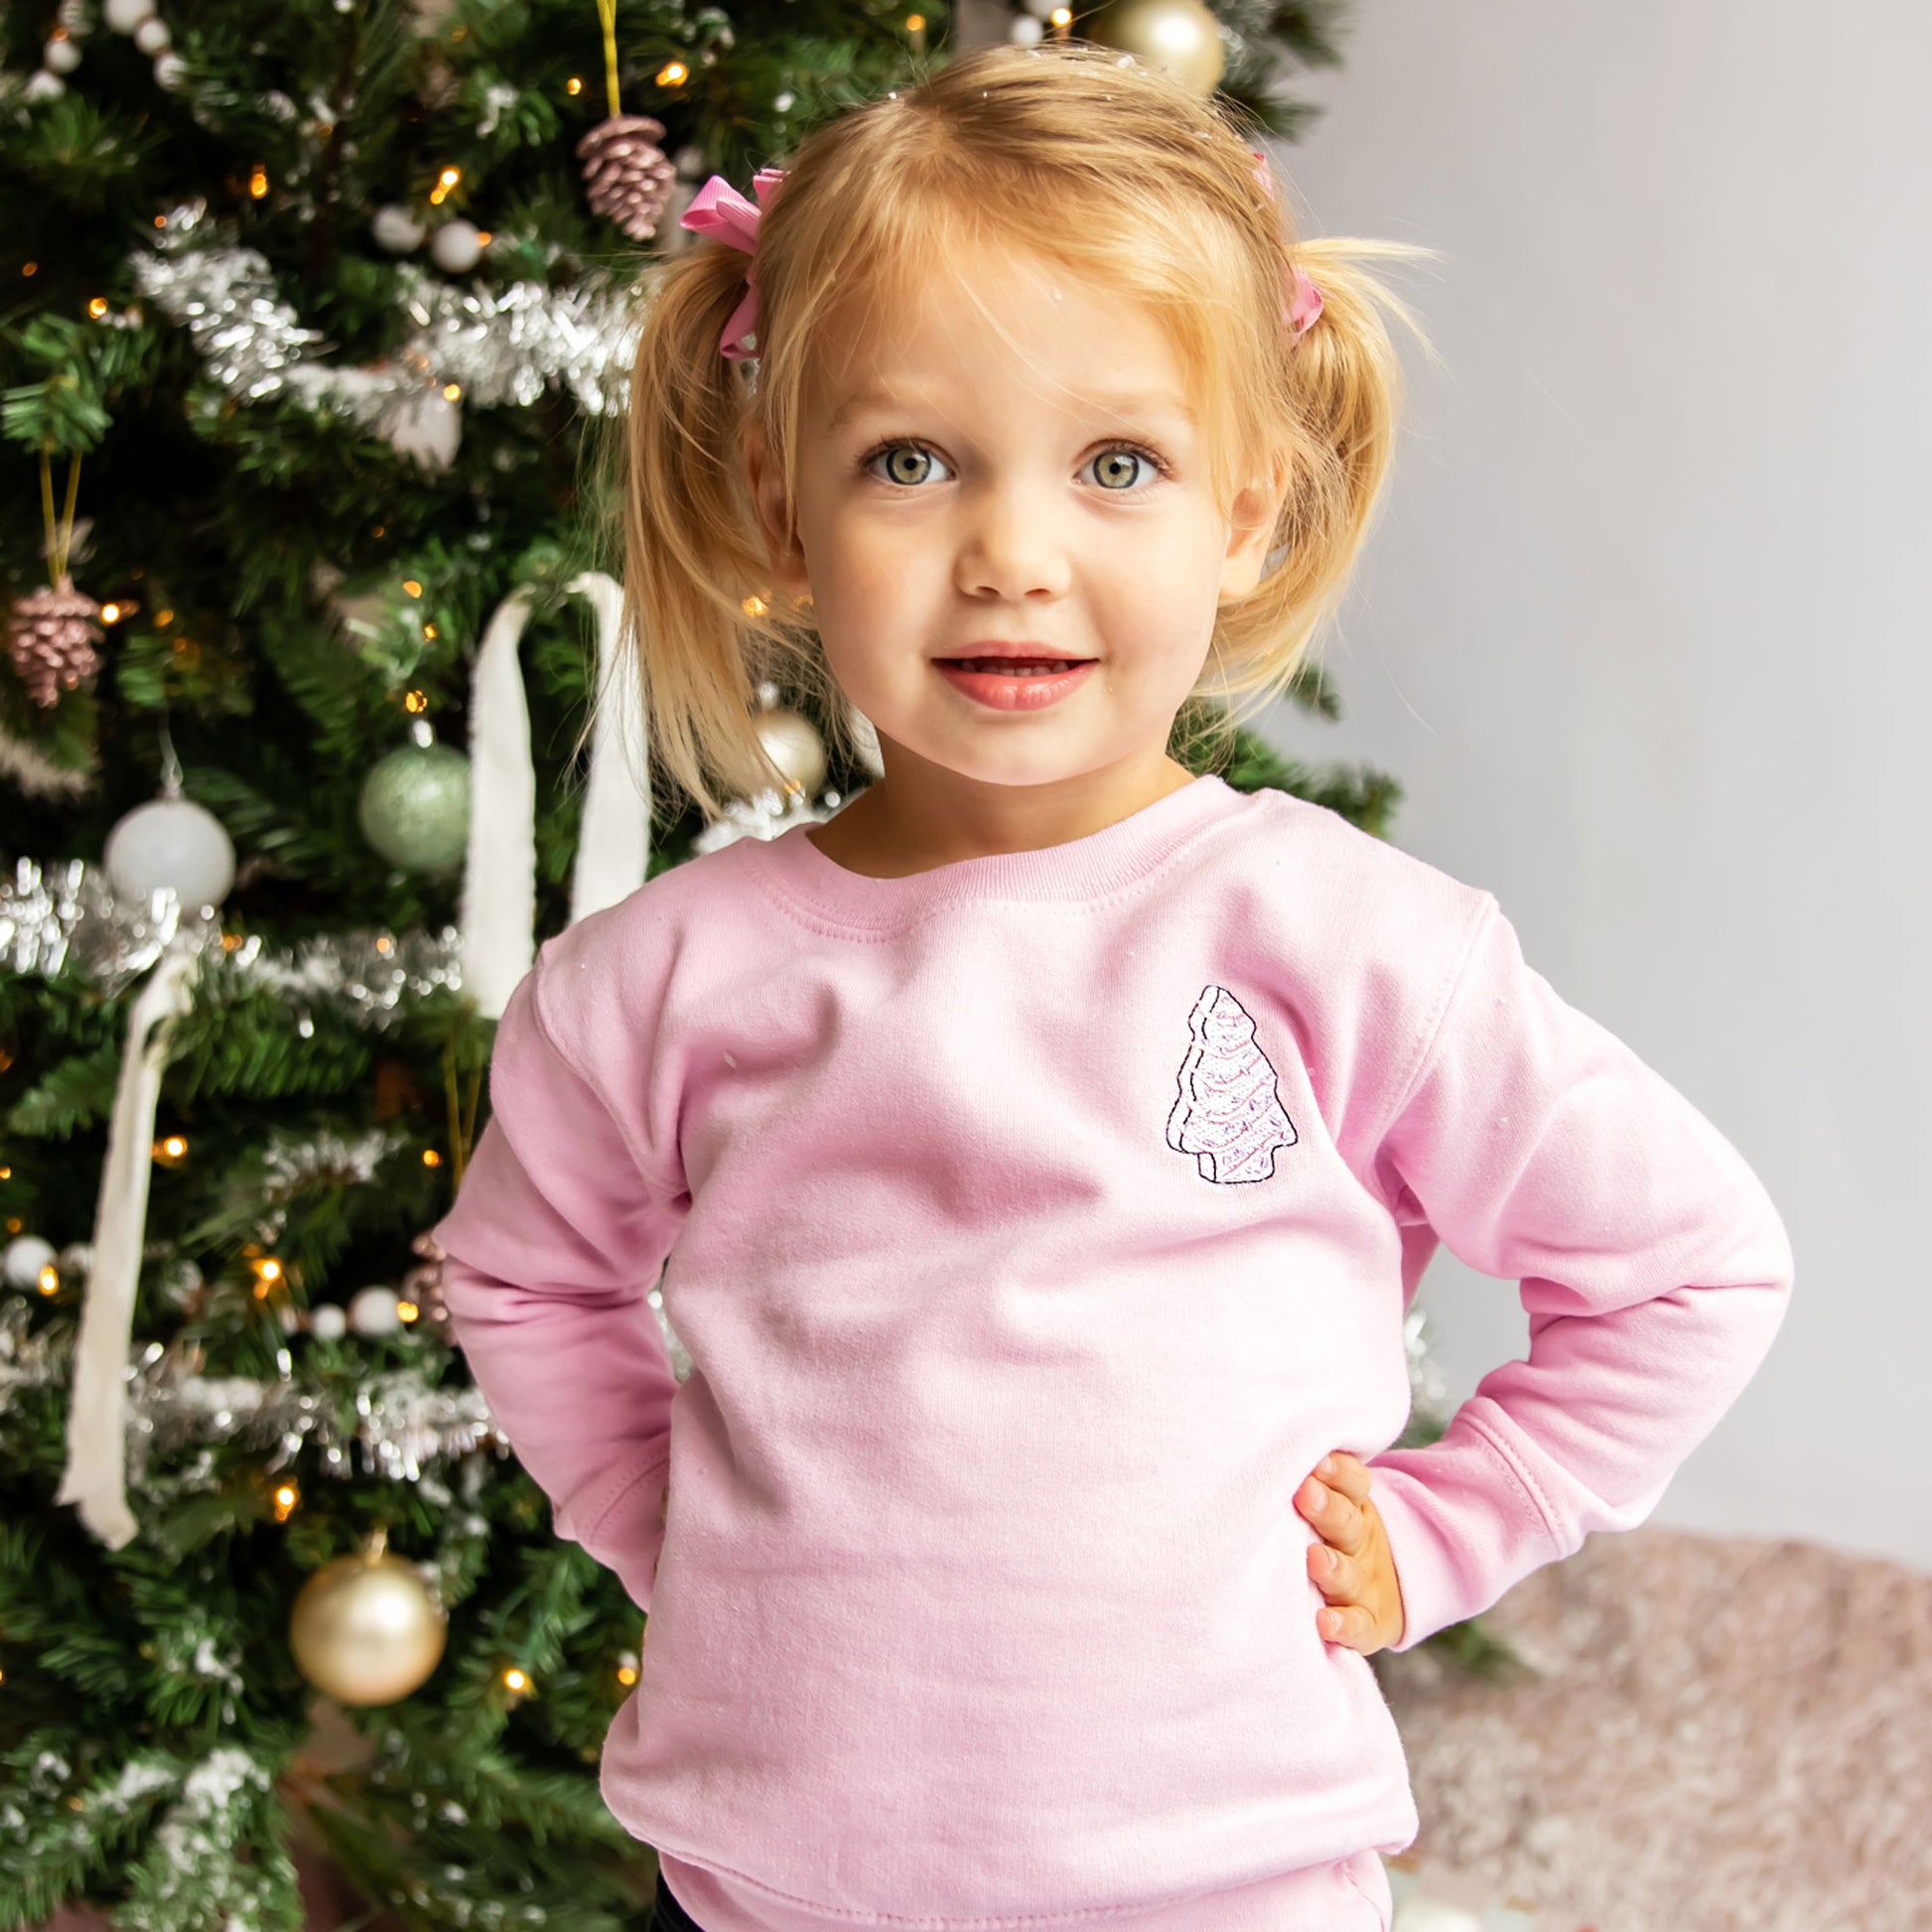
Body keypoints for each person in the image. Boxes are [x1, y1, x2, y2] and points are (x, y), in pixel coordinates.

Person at [432, 41, 1795, 1932]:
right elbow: (519, 1269)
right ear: (777, 502)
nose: (1010, 550)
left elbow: (1688, 1264)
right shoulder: (661, 979)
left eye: (1116, 464)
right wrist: (667, 1520)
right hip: (764, 1888)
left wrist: (1445, 1519)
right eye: (910, 461)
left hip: (1217, 1886)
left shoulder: (1344, 941)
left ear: (1242, 510)